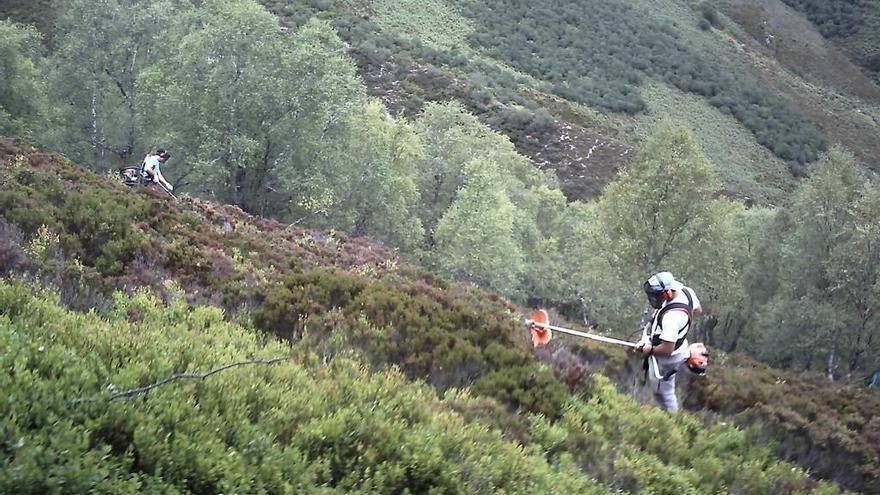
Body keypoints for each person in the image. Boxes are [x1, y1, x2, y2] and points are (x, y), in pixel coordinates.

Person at [637, 271, 702, 412]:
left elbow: (667, 349)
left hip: (666, 359)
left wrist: (650, 350)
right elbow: (697, 310)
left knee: (664, 394)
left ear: (667, 293)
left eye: (657, 296)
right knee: (666, 390)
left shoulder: (671, 318)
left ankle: (671, 421)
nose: (654, 299)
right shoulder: (687, 292)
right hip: (680, 348)